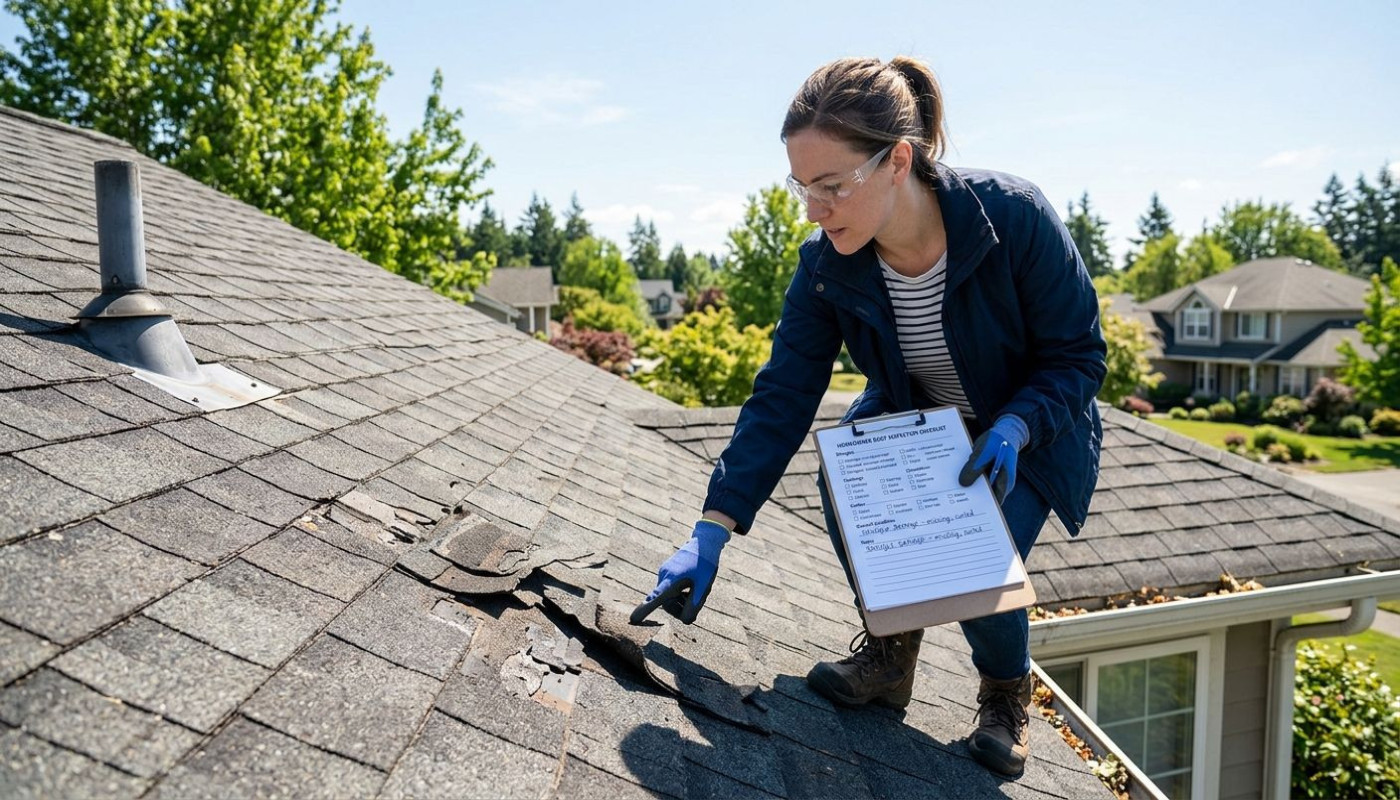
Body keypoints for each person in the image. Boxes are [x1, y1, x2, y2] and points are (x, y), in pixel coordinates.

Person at [634, 55, 1106, 778]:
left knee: (976, 560)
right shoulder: (826, 264)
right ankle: (891, 655)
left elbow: (1079, 355)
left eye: (832, 186)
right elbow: (784, 394)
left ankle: (1005, 695)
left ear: (899, 162)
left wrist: (1014, 426)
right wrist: (711, 529)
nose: (814, 209)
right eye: (802, 187)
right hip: (920, 412)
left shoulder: (1012, 217)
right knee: (847, 474)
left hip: (1031, 425)